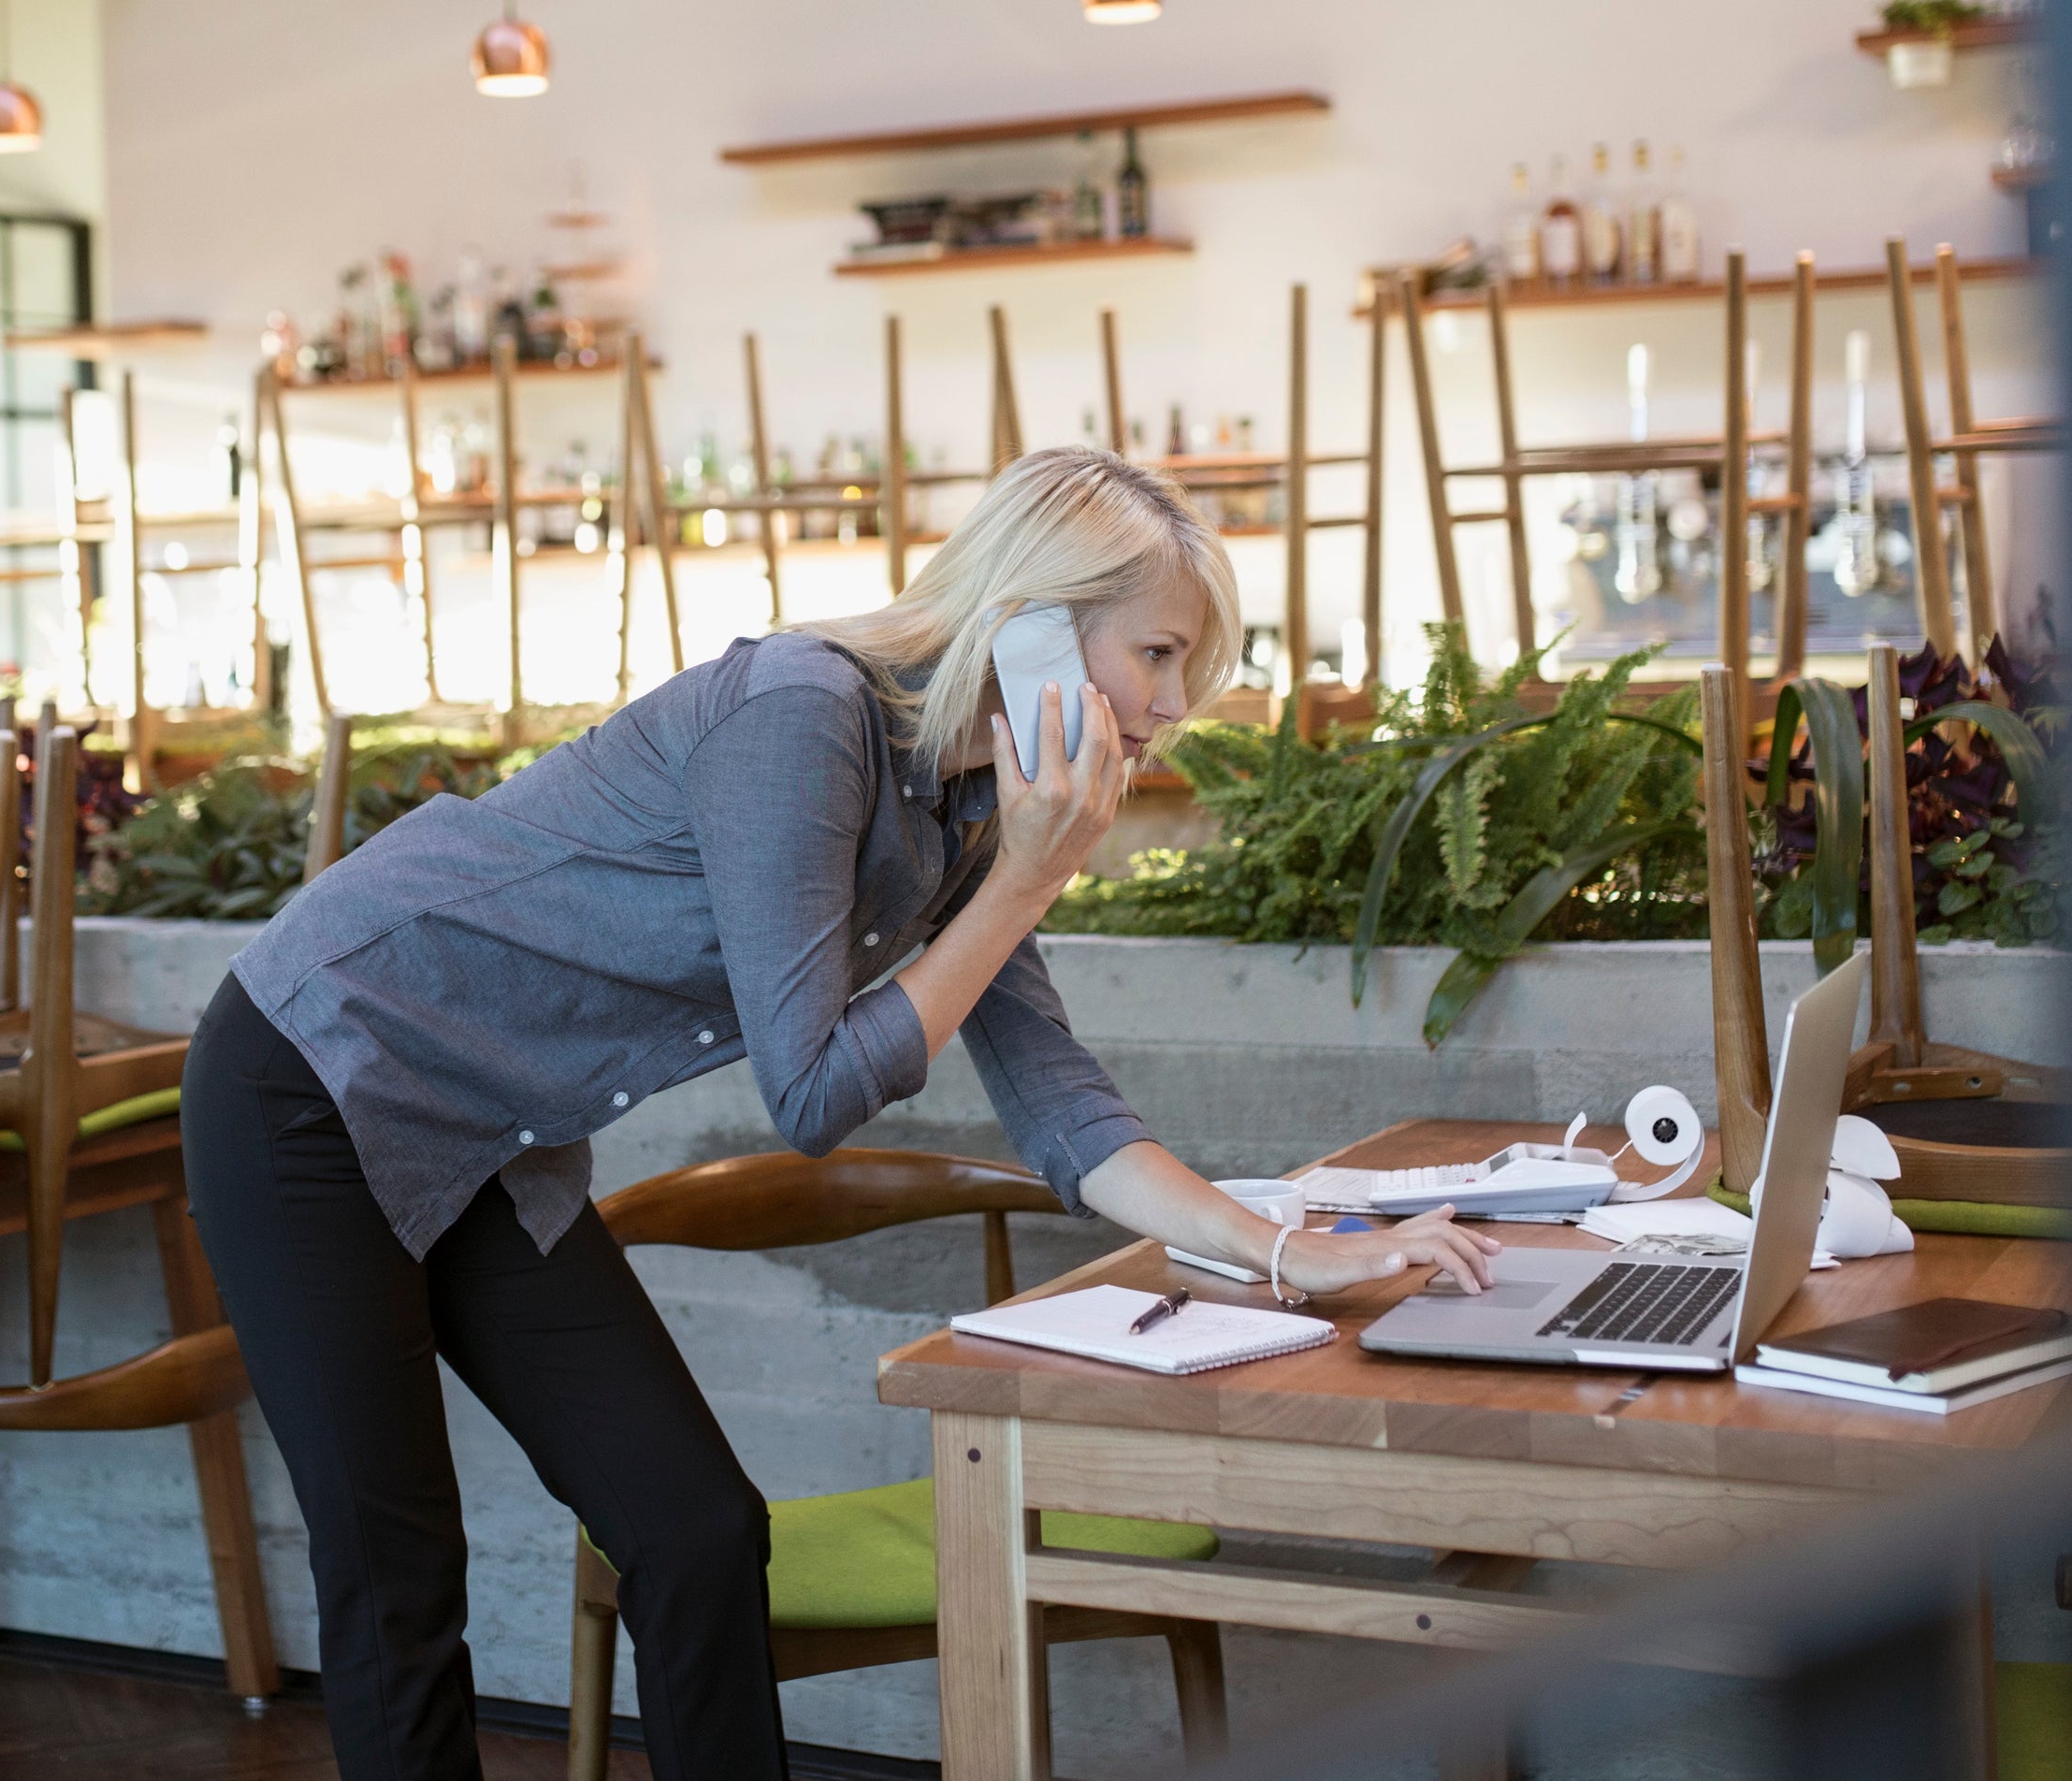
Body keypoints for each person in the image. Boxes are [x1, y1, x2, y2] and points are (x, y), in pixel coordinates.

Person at [181, 446, 1497, 1781]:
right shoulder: (799, 717)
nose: (1165, 707)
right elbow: (807, 1090)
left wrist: (1294, 1250)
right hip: (312, 1076)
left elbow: (1061, 1104)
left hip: (485, 1142)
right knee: (395, 1567)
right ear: (1033, 619)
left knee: (694, 1527)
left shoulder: (976, 814)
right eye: (1154, 655)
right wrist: (1024, 887)